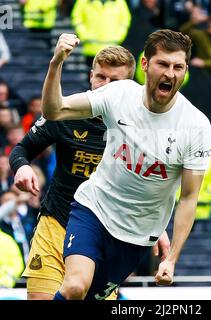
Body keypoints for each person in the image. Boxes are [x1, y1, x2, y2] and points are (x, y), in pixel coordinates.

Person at [41, 30, 211, 300]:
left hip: (136, 235)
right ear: (145, 65)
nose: (170, 73)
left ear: (185, 70)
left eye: (178, 67)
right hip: (94, 209)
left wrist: (171, 259)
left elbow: (189, 198)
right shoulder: (120, 94)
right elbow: (54, 110)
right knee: (75, 287)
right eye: (163, 64)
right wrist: (56, 63)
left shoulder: (196, 126)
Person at [10, 44, 169, 300]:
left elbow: (149, 181)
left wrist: (157, 225)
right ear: (90, 76)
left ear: (128, 84)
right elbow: (22, 148)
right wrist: (23, 167)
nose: (105, 85)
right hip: (56, 222)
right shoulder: (66, 110)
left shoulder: (141, 126)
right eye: (100, 77)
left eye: (114, 80)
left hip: (103, 232)